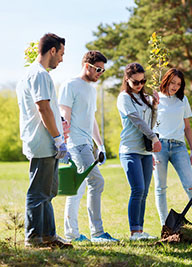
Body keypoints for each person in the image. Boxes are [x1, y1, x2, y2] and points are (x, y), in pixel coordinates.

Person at [16, 33, 72, 248]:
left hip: (44, 139)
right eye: (61, 54)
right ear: (52, 51)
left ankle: (49, 236)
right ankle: (33, 238)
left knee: (48, 191)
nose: (62, 59)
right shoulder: (40, 75)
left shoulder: (30, 74)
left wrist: (59, 124)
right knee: (38, 192)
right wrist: (58, 139)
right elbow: (42, 107)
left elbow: (46, 108)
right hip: (42, 141)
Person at [58, 51, 119, 243]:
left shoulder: (91, 89)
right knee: (96, 182)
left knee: (78, 187)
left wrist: (100, 144)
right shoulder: (70, 85)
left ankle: (72, 234)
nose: (101, 73)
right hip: (75, 144)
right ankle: (97, 232)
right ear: (87, 66)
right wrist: (64, 144)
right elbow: (64, 114)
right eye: (98, 69)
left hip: (86, 145)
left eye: (103, 70)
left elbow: (91, 118)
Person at [153, 68, 192, 237]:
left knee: (191, 187)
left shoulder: (182, 100)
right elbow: (150, 125)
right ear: (166, 80)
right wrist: (151, 149)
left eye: (178, 84)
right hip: (159, 146)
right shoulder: (155, 99)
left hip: (179, 147)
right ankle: (166, 227)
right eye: (172, 82)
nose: (175, 87)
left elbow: (187, 127)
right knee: (160, 188)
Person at [117, 63, 162, 240]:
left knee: (144, 192)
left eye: (143, 81)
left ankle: (140, 231)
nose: (140, 85)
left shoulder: (145, 98)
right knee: (138, 189)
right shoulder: (124, 98)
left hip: (144, 151)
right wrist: (154, 138)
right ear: (127, 80)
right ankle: (134, 232)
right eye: (136, 82)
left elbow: (150, 123)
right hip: (129, 150)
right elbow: (136, 120)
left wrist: (155, 106)